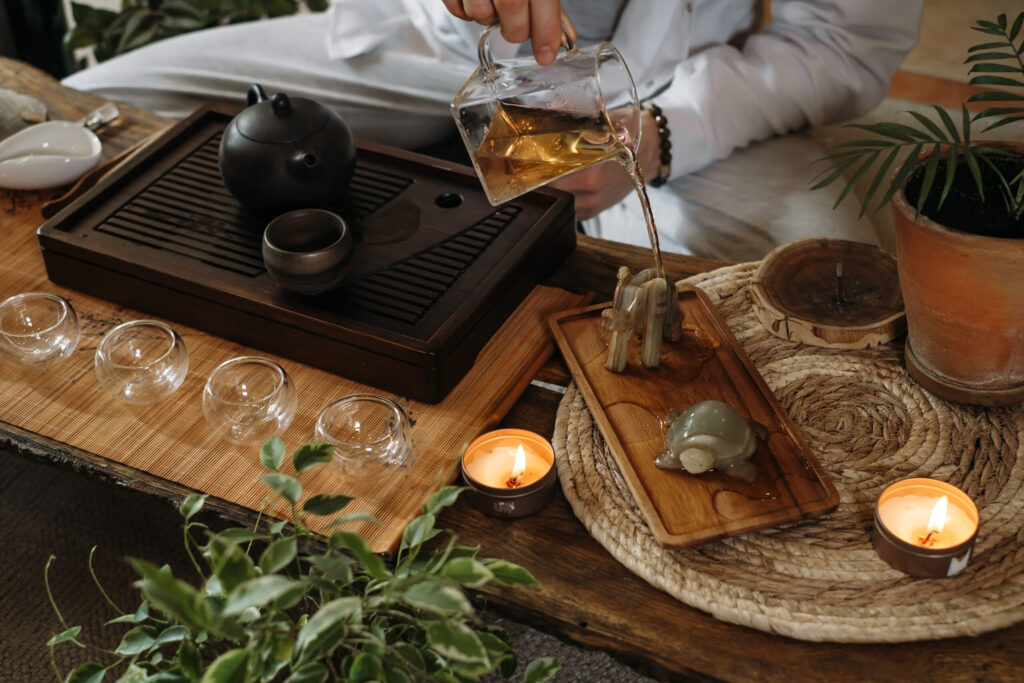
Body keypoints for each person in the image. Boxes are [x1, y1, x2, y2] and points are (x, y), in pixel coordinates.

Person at [62, 0, 923, 260]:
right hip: (422, 46)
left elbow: (841, 39)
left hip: (660, 90)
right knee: (87, 111)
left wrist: (661, 131)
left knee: (830, 272)